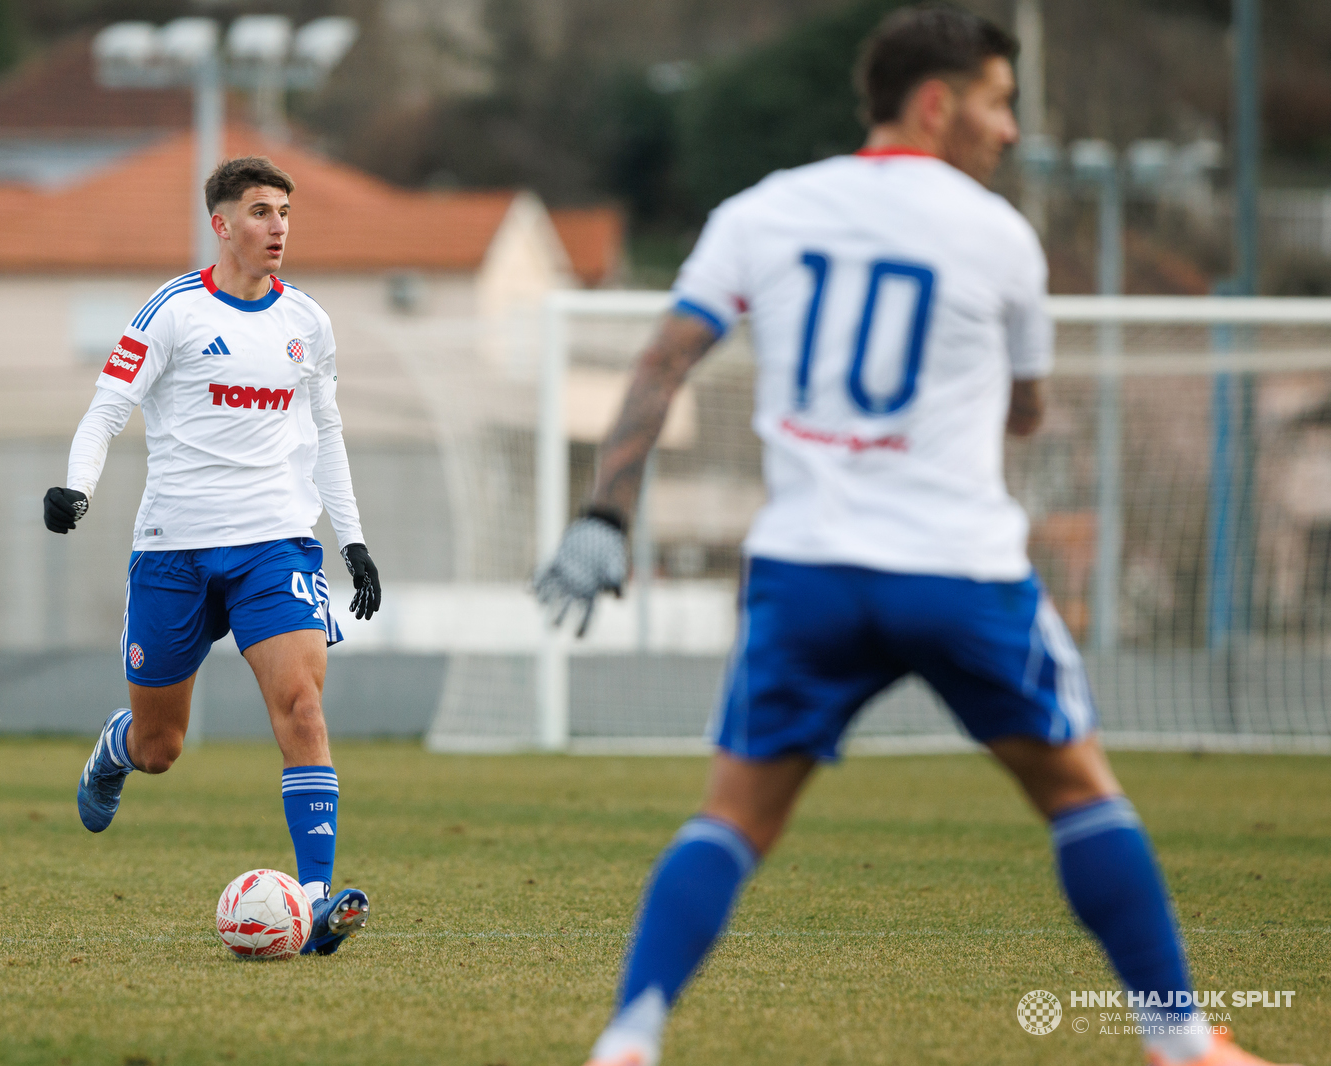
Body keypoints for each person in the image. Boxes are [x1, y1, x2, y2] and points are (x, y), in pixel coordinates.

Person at [535, 7, 1297, 1065]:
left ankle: (628, 1036)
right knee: (1078, 790)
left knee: (733, 816)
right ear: (935, 104)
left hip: (807, 571)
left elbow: (663, 361)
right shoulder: (996, 234)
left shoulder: (763, 211)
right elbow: (1026, 411)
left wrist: (603, 513)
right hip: (955, 572)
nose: (1009, 129)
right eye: (996, 100)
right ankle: (1180, 1042)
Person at [44, 156, 381, 957]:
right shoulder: (172, 312)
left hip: (276, 543)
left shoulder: (309, 322)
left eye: (286, 213)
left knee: (301, 705)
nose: (278, 228)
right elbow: (106, 409)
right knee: (162, 748)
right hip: (176, 550)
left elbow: (327, 435)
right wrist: (75, 487)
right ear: (222, 224)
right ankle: (115, 748)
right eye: (261, 212)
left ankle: (315, 897)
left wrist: (354, 539)